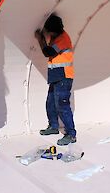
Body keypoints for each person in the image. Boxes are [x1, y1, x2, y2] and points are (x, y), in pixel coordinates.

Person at [34, 13, 77, 146]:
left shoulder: (63, 39)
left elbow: (48, 52)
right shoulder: (56, 37)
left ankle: (71, 134)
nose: (49, 33)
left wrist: (40, 38)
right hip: (56, 76)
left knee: (62, 105)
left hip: (63, 77)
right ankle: (53, 126)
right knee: (50, 102)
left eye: (49, 31)